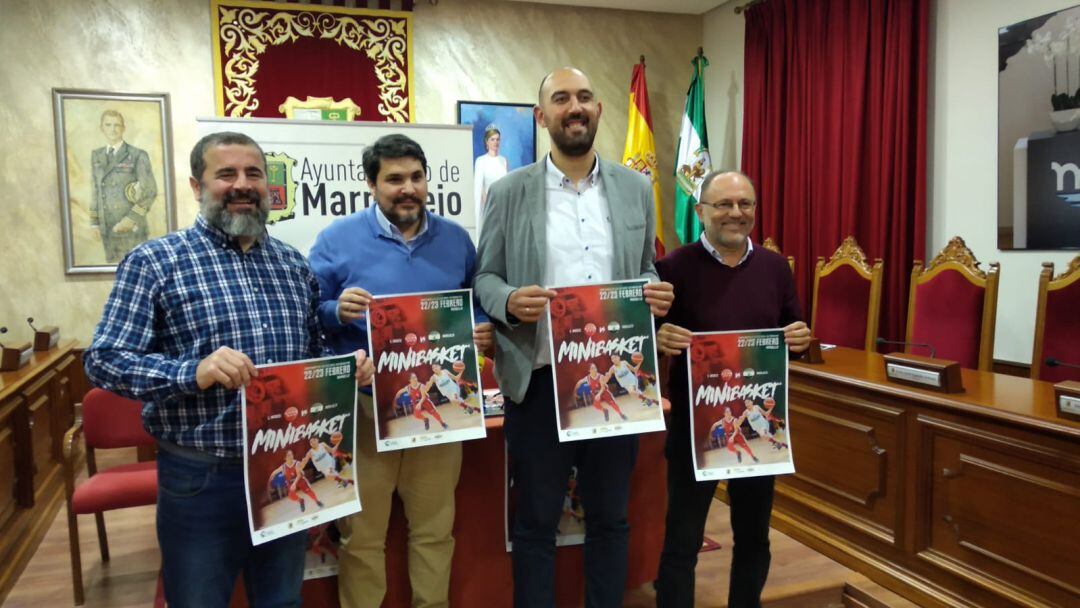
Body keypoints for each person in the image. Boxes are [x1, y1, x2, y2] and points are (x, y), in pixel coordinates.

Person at [83, 131, 375, 608]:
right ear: (198, 187)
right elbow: (103, 360)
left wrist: (343, 369)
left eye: (253, 174)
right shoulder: (156, 262)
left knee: (281, 600)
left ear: (268, 186)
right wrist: (191, 371)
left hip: (285, 467)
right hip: (201, 478)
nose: (242, 184)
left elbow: (309, 351)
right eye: (226, 174)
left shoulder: (292, 266)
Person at [473, 66, 675, 608]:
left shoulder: (635, 188)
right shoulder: (510, 191)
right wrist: (509, 301)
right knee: (536, 522)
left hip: (616, 380)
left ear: (598, 110)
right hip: (537, 383)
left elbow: (645, 268)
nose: (575, 107)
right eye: (560, 99)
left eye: (584, 96)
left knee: (611, 517)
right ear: (542, 117)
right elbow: (484, 276)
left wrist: (654, 290)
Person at [308, 133, 493, 608]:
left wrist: (480, 328)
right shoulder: (335, 240)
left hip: (441, 410)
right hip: (366, 409)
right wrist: (336, 311)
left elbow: (473, 303)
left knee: (434, 532)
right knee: (362, 538)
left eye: (415, 177)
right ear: (371, 184)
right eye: (393, 179)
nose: (407, 188)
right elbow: (307, 313)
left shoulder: (455, 240)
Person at [652, 169, 811, 608]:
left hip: (759, 428)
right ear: (701, 210)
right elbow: (648, 337)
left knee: (754, 539)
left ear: (755, 212)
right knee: (682, 541)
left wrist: (799, 339)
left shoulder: (776, 268)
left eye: (745, 205)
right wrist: (659, 339)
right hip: (694, 427)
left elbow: (792, 332)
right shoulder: (672, 268)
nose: (735, 213)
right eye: (723, 204)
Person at [90, 109, 157, 263]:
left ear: (123, 128)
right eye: (108, 125)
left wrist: (130, 219)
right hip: (107, 227)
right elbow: (96, 190)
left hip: (130, 229)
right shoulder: (96, 155)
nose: (112, 129)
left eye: (117, 125)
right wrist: (94, 223)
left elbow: (150, 191)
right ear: (102, 128)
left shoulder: (137, 155)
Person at [473, 124, 509, 218]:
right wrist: (490, 207)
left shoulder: (503, 160)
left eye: (497, 139)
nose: (495, 142)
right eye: (492, 139)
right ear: (487, 142)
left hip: (503, 206)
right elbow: (480, 188)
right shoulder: (481, 161)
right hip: (488, 207)